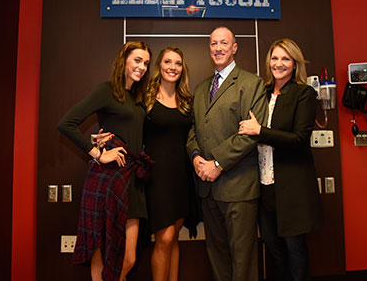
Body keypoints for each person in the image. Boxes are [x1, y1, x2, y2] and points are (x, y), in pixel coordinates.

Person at [57, 41, 153, 281]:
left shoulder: (137, 98)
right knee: (105, 251)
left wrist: (102, 139)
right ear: (124, 61)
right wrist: (98, 152)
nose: (142, 67)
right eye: (137, 60)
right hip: (110, 178)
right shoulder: (107, 90)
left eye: (146, 63)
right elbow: (66, 124)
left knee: (128, 258)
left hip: (133, 179)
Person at [238, 38, 324, 281]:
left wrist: (260, 132)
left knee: (294, 248)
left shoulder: (304, 93)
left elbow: (299, 139)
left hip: (292, 185)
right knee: (272, 246)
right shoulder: (261, 92)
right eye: (274, 58)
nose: (279, 63)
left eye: (285, 59)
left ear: (295, 64)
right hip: (264, 185)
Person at [187, 26, 268, 281]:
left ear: (234, 48)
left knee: (243, 259)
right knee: (217, 255)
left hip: (238, 188)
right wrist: (197, 157)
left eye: (224, 43)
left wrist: (218, 163)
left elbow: (250, 134)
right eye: (213, 43)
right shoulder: (201, 89)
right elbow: (193, 129)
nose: (218, 48)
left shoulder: (251, 84)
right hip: (207, 189)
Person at [143, 46, 195, 281]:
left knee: (174, 236)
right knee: (163, 238)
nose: (173, 67)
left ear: (182, 69)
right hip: (157, 177)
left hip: (181, 176)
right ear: (159, 66)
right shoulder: (145, 100)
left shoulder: (187, 102)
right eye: (168, 62)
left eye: (177, 63)